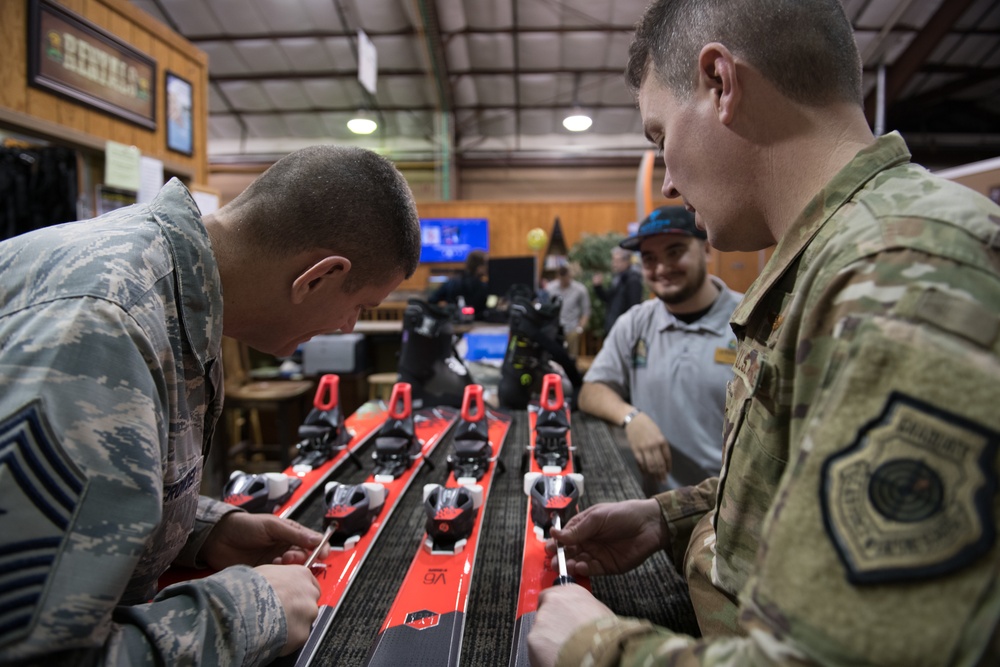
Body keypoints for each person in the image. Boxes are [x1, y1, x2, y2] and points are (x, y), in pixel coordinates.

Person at [529, 0, 1000, 665]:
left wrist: (596, 646)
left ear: (721, 83)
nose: (666, 179)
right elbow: (797, 482)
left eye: (661, 137)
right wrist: (673, 517)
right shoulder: (836, 264)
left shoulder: (901, 277)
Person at [0, 145, 421, 665]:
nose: (348, 327)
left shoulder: (171, 283)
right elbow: (34, 653)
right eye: (359, 306)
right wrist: (250, 613)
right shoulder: (104, 329)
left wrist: (193, 529)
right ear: (318, 276)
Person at [579, 205, 740, 493]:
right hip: (657, 514)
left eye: (675, 252)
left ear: (706, 251)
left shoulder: (749, 321)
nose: (662, 268)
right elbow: (592, 390)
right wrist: (631, 418)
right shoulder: (636, 323)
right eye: (650, 259)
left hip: (730, 511)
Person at [592, 245, 644, 334]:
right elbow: (609, 298)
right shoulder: (618, 278)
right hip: (614, 327)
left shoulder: (633, 280)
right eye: (613, 260)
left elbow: (634, 307)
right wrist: (598, 287)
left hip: (624, 330)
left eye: (617, 260)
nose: (613, 263)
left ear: (626, 261)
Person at [545, 265, 592, 358]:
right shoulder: (550, 288)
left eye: (565, 278)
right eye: (561, 278)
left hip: (572, 329)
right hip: (555, 329)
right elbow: (546, 308)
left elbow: (586, 310)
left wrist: (579, 329)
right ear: (558, 276)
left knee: (571, 358)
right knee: (554, 357)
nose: (563, 281)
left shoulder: (580, 289)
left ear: (569, 276)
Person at [428, 249, 490, 319]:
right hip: (477, 324)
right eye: (486, 264)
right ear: (479, 267)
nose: (488, 267)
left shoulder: (452, 282)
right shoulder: (483, 287)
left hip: (452, 323)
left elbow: (432, 301)